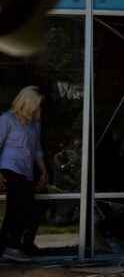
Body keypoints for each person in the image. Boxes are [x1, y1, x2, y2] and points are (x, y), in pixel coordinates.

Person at [0, 86, 47, 262]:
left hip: (26, 171)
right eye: (37, 104)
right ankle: (12, 247)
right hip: (10, 168)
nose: (38, 108)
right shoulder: (7, 119)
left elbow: (37, 150)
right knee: (21, 208)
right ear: (27, 103)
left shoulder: (35, 124)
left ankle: (7, 247)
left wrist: (43, 171)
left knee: (20, 210)